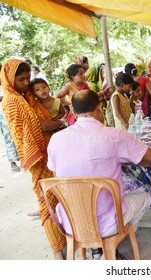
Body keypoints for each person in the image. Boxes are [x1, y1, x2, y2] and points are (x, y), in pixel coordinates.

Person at [47, 89, 151, 259]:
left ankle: (96, 249)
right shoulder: (114, 135)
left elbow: (57, 176)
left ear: (74, 112)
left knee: (108, 192)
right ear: (99, 108)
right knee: (146, 195)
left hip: (70, 221)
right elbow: (150, 156)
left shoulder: (55, 139)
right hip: (106, 222)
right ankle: (114, 243)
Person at [1, 58, 67, 259]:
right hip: (37, 159)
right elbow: (38, 126)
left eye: (27, 78)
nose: (25, 83)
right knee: (46, 201)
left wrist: (54, 121)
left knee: (58, 198)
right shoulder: (12, 101)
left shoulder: (27, 95)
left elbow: (47, 115)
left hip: (50, 152)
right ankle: (57, 251)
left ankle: (65, 241)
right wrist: (59, 123)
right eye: (21, 79)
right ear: (9, 79)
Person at [0, 63, 20, 172]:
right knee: (8, 136)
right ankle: (12, 161)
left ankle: (21, 157)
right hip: (2, 113)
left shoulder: (7, 81)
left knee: (16, 133)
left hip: (10, 111)